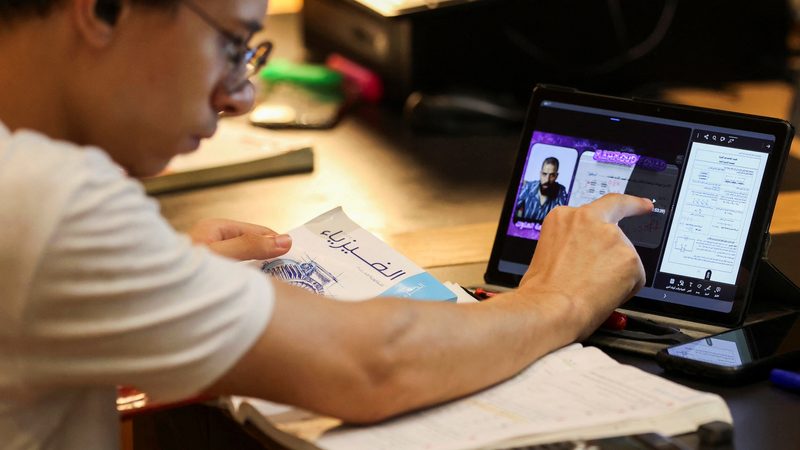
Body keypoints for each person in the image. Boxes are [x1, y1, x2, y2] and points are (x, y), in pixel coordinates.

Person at [0, 0, 653, 448]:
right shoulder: (42, 202)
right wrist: (559, 298)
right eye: (231, 45)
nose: (243, 95)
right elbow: (373, 366)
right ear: (102, 10)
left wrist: (154, 282)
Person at [515, 156, 569, 223]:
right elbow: (512, 208)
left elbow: (565, 217)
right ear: (540, 174)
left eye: (551, 175)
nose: (547, 179)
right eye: (544, 174)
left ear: (556, 176)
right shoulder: (528, 187)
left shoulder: (561, 191)